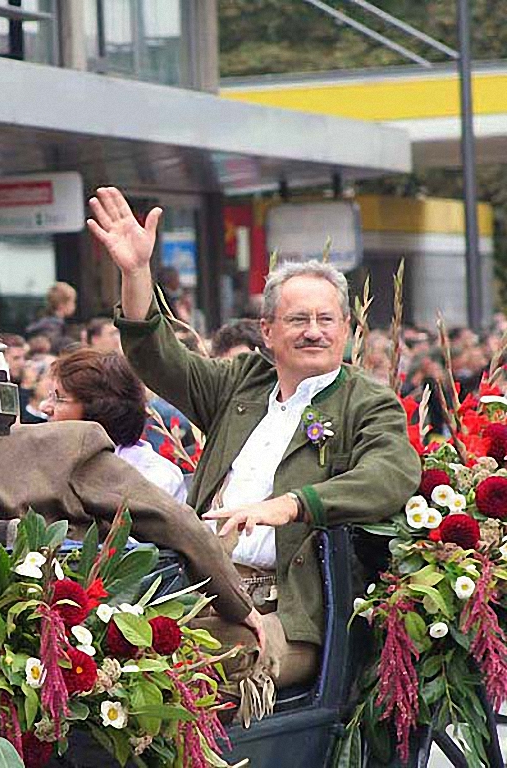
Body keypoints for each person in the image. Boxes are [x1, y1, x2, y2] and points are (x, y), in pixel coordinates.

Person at [88, 186, 419, 719]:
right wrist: (136, 272)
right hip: (199, 588)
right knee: (96, 655)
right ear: (267, 331)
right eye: (298, 320)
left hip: (287, 612)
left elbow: (393, 472)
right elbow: (158, 357)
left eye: (326, 320)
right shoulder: (241, 383)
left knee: (201, 662)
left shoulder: (367, 402)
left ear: (346, 330)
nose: (314, 332)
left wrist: (292, 505)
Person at [41, 348, 186, 503]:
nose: (44, 407)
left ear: (99, 409)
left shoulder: (153, 477)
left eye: (58, 398)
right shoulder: (49, 467)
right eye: (49, 396)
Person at [24, 281, 76, 353]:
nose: (74, 305)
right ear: (61, 305)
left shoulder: (41, 323)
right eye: (72, 302)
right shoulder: (54, 327)